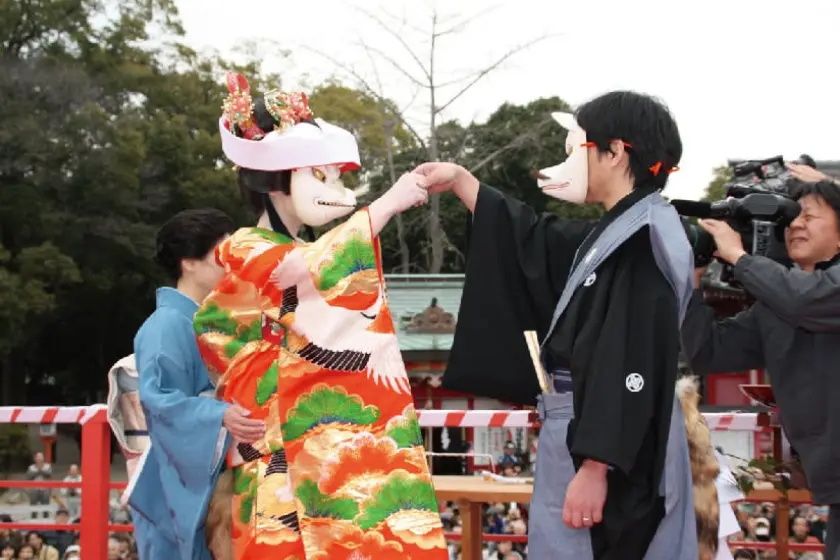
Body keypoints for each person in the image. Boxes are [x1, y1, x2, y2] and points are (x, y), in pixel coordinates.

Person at [415, 91, 699, 559]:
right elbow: (537, 237)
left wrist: (595, 466)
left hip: (611, 449)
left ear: (614, 152)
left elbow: (627, 355)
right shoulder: (621, 229)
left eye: (575, 149)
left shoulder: (642, 239)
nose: (566, 162)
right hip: (585, 432)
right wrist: (465, 183)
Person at [193, 73, 446, 559]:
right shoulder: (245, 247)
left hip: (314, 449)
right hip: (274, 458)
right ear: (275, 182)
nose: (335, 187)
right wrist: (387, 204)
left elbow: (321, 273)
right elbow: (305, 270)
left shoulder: (301, 250)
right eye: (321, 174)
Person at [682, 177, 840, 560]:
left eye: (809, 216)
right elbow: (707, 352)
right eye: (791, 219)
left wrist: (739, 257)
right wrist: (694, 275)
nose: (796, 225)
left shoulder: (806, 295)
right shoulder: (775, 308)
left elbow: (803, 302)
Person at [128, 208, 265, 559]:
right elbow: (160, 402)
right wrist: (217, 414)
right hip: (181, 485)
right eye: (222, 254)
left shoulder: (219, 321)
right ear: (189, 262)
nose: (232, 264)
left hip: (221, 467)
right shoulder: (166, 326)